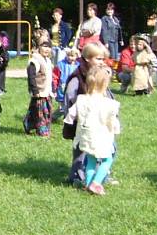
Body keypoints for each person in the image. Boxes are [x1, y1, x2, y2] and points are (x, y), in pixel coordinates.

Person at [63, 67, 121, 195]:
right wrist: (116, 129)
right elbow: (112, 120)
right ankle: (96, 183)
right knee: (107, 160)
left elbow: (71, 113)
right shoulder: (108, 103)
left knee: (90, 160)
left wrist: (69, 121)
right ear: (105, 84)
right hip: (102, 137)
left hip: (86, 136)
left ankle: (88, 184)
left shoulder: (82, 99)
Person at [62, 42, 111, 185]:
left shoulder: (100, 74)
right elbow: (70, 99)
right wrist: (76, 118)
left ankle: (100, 176)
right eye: (99, 59)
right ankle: (76, 176)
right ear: (88, 58)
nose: (102, 62)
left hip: (100, 122)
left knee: (101, 149)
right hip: (83, 122)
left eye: (103, 59)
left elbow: (106, 95)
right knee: (81, 151)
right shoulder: (78, 77)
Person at [23, 41, 54, 137]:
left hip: (47, 92)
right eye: (44, 46)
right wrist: (35, 90)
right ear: (39, 48)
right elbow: (31, 77)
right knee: (41, 112)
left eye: (49, 47)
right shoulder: (35, 61)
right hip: (39, 91)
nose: (47, 49)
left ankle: (28, 124)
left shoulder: (48, 60)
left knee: (44, 111)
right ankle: (42, 131)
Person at [52, 47, 80, 119]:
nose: (70, 58)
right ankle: (54, 117)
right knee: (63, 107)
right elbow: (55, 77)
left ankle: (69, 118)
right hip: (62, 88)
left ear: (76, 56)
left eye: (72, 56)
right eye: (68, 55)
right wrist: (54, 87)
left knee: (73, 105)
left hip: (74, 88)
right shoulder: (60, 65)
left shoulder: (78, 66)